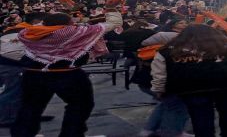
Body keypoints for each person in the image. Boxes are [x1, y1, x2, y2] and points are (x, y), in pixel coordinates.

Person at [11, 7, 123, 137]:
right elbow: (114, 23)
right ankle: (72, 134)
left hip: (34, 73)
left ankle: (23, 134)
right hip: (67, 73)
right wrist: (111, 8)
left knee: (30, 106)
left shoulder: (28, 32)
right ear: (68, 24)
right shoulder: (74, 32)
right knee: (80, 104)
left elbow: (43, 25)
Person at [150, 24, 227, 137]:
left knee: (201, 119)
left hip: (191, 89)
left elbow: (159, 74)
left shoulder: (166, 51)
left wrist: (158, 90)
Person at [137, 19, 191, 137]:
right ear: (173, 25)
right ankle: (172, 131)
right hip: (154, 77)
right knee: (176, 104)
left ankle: (149, 130)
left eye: (185, 23)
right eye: (181, 22)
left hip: (150, 77)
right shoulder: (166, 39)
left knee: (166, 104)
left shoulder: (182, 38)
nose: (184, 24)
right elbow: (145, 43)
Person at [0, 12, 49, 128]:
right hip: (13, 65)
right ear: (37, 21)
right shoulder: (28, 31)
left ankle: (28, 114)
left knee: (28, 91)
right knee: (13, 91)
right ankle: (5, 118)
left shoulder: (13, 30)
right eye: (45, 22)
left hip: (12, 64)